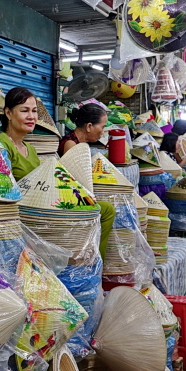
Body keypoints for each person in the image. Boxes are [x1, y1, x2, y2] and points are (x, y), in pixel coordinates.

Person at [46, 100, 116, 259]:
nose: (103, 132)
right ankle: (97, 259)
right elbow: (73, 179)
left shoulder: (80, 143)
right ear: (89, 126)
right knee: (108, 210)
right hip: (64, 197)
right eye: (102, 127)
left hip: (75, 194)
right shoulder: (70, 144)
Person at [0, 87, 42, 181]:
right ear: (8, 113)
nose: (31, 117)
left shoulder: (31, 149)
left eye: (34, 111)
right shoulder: (0, 145)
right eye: (24, 111)